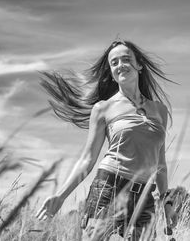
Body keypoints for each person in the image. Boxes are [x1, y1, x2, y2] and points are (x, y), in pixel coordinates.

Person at [36, 40, 174, 240]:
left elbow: (160, 164)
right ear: (111, 72)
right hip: (109, 189)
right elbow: (87, 159)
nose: (120, 65)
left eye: (126, 59)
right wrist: (61, 196)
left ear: (139, 65)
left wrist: (167, 203)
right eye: (114, 62)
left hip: (145, 197)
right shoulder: (103, 108)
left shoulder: (160, 110)